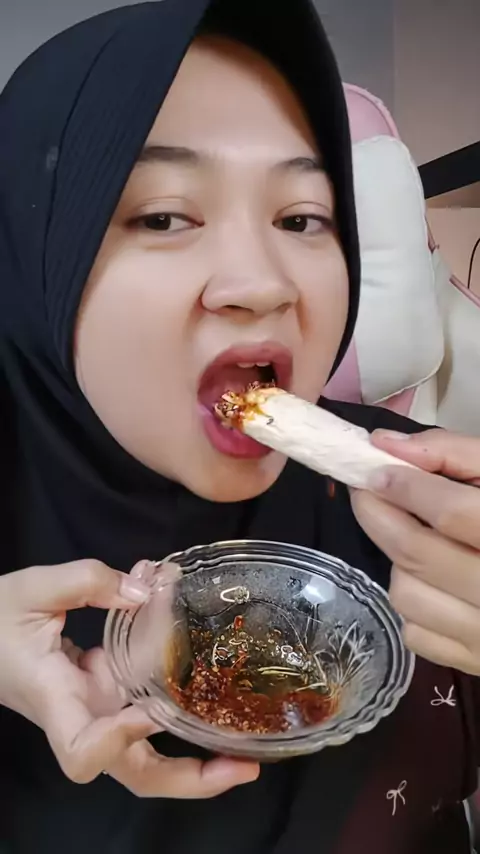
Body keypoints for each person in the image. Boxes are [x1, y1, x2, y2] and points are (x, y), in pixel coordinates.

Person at [0, 0, 478, 852]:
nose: (263, 284)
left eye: (302, 219)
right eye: (163, 216)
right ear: (37, 259)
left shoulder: (436, 498)